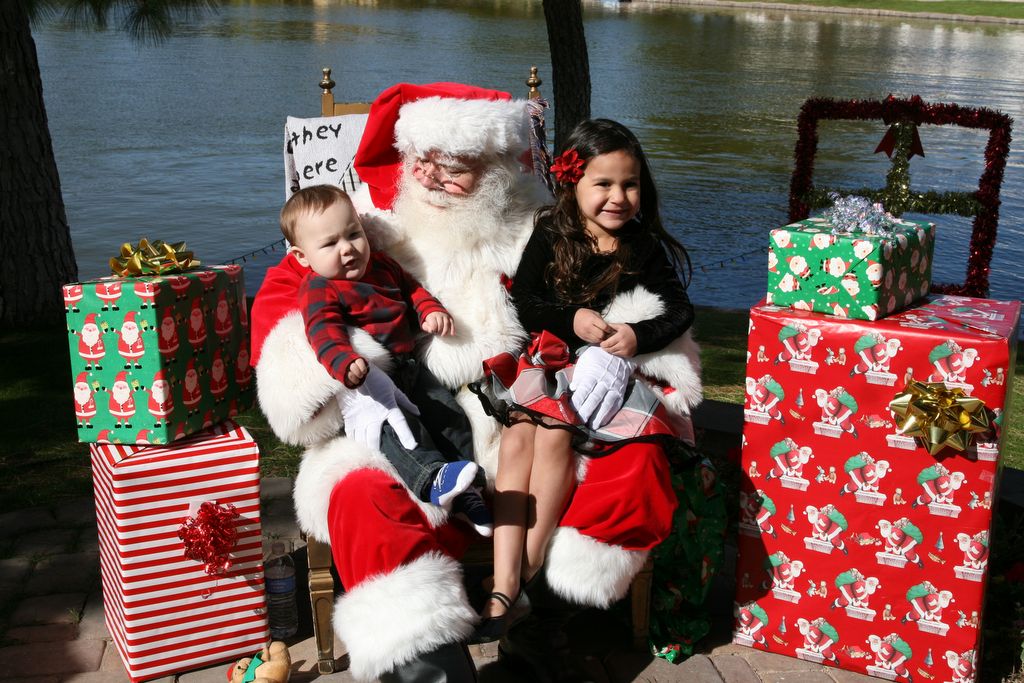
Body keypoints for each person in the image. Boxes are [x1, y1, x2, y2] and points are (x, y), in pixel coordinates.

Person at [250, 83, 703, 683]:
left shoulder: (548, 226)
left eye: (457, 167)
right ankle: (426, 665)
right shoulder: (360, 231)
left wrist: (624, 348)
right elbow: (285, 320)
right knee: (361, 492)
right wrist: (356, 360)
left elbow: (649, 304)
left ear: (495, 169)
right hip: (407, 421)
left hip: (532, 414)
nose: (436, 179)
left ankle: (538, 627)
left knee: (635, 464)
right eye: (426, 163)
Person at [470, 119, 696, 642]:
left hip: (606, 375)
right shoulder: (552, 231)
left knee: (552, 433)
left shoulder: (642, 247)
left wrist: (636, 335)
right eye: (604, 183)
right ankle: (507, 582)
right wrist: (569, 319)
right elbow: (527, 301)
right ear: (574, 182)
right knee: (517, 437)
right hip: (550, 362)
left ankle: (517, 575)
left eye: (630, 183)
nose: (619, 197)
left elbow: (678, 309)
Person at [279, 184, 491, 533]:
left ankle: (468, 488)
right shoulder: (319, 287)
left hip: (410, 365)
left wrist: (428, 309)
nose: (348, 249)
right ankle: (431, 479)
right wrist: (345, 363)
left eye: (353, 234)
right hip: (370, 382)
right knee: (398, 431)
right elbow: (323, 331)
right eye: (330, 244)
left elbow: (411, 289)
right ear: (303, 257)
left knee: (448, 415)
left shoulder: (382, 266)